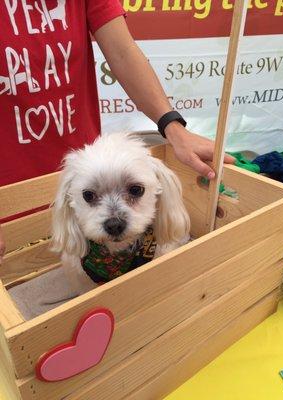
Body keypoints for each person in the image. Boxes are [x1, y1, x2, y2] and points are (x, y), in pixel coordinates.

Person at [0, 0, 234, 262]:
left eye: (135, 191)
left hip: (81, 155)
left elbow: (122, 52)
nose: (115, 220)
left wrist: (172, 124)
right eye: (91, 197)